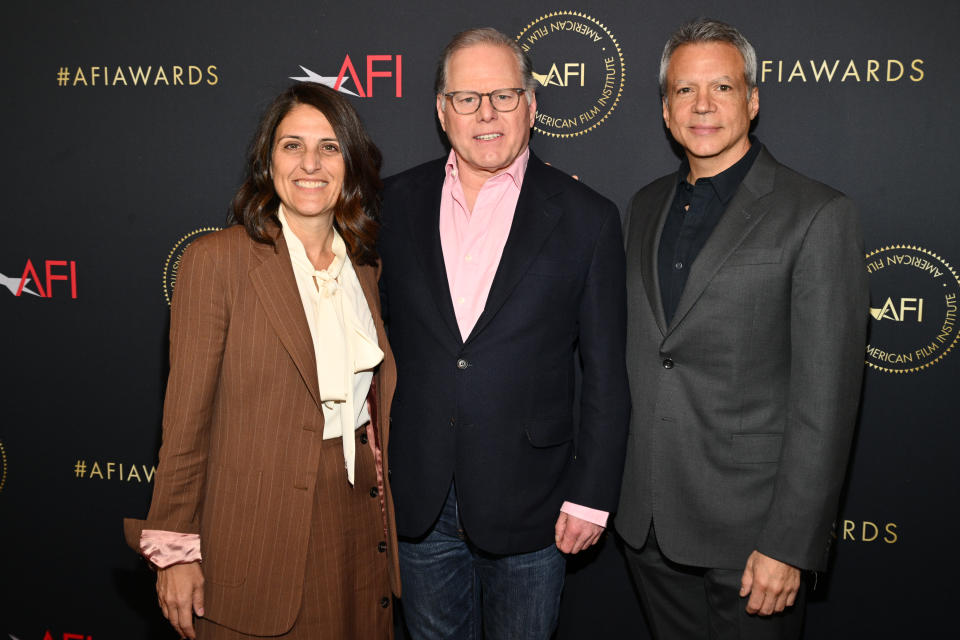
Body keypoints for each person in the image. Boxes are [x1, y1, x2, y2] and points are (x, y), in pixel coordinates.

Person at [614, 18, 868, 639]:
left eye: (722, 88)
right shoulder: (643, 205)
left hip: (753, 539)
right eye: (683, 91)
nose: (702, 105)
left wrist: (791, 542)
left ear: (752, 101)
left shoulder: (817, 214)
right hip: (647, 525)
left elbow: (826, 400)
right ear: (666, 111)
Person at [377, 27, 630, 640]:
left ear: (533, 105)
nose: (485, 113)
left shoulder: (588, 217)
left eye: (504, 96)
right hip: (419, 497)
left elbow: (604, 373)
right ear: (442, 111)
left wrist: (591, 494)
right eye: (466, 98)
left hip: (533, 501)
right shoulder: (389, 203)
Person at [124, 82, 399, 639]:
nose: (310, 164)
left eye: (329, 147)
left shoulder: (364, 268)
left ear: (351, 161)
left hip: (354, 515)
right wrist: (175, 552)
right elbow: (185, 422)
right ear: (266, 161)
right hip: (257, 531)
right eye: (292, 145)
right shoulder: (216, 261)